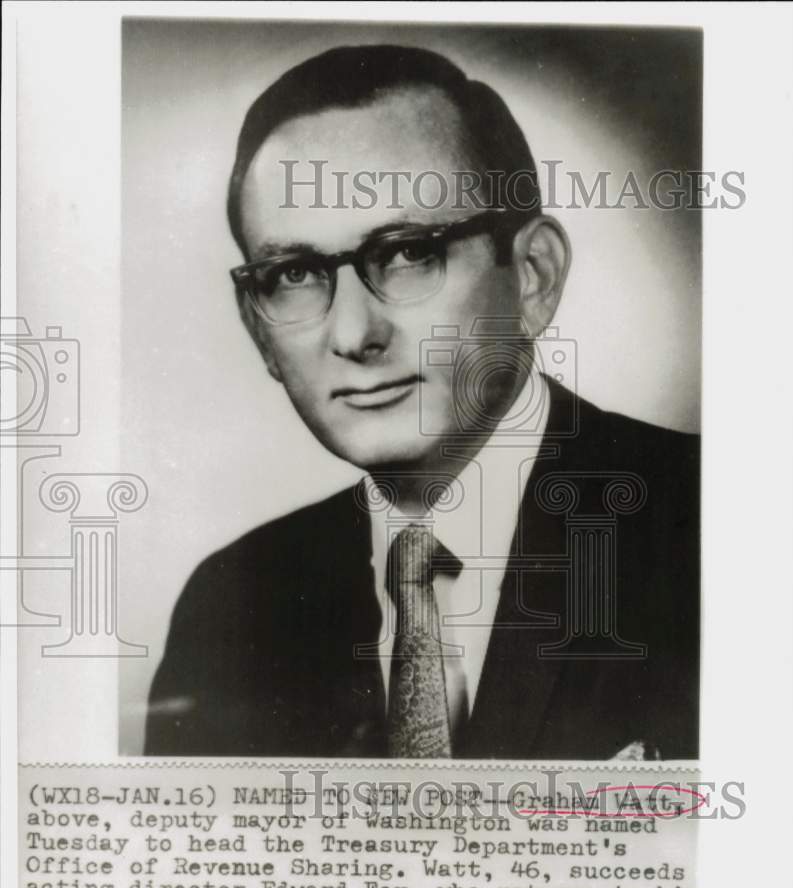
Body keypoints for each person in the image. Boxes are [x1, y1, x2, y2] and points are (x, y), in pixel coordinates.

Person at [145, 45, 699, 760]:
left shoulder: (723, 528)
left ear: (532, 276)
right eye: (295, 274)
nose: (353, 333)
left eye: (409, 254)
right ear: (258, 327)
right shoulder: (231, 605)